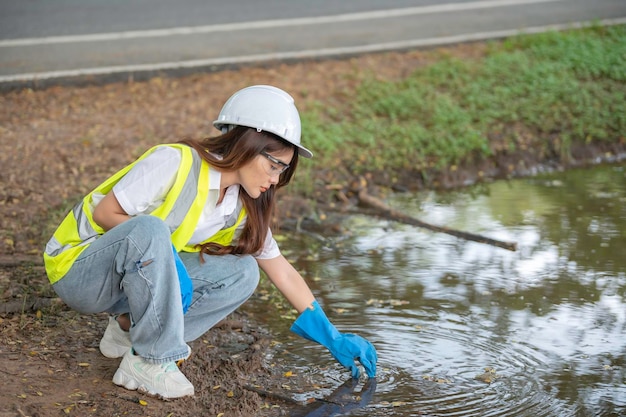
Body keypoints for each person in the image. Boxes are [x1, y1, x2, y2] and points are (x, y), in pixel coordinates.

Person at [43, 85, 377, 399]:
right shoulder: (174, 162)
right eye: (273, 165)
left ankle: (129, 331)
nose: (275, 180)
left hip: (126, 282)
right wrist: (170, 259)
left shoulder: (239, 205)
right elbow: (105, 213)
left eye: (283, 172)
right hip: (79, 271)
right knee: (151, 230)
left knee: (243, 271)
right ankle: (152, 360)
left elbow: (283, 272)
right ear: (248, 143)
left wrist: (331, 335)